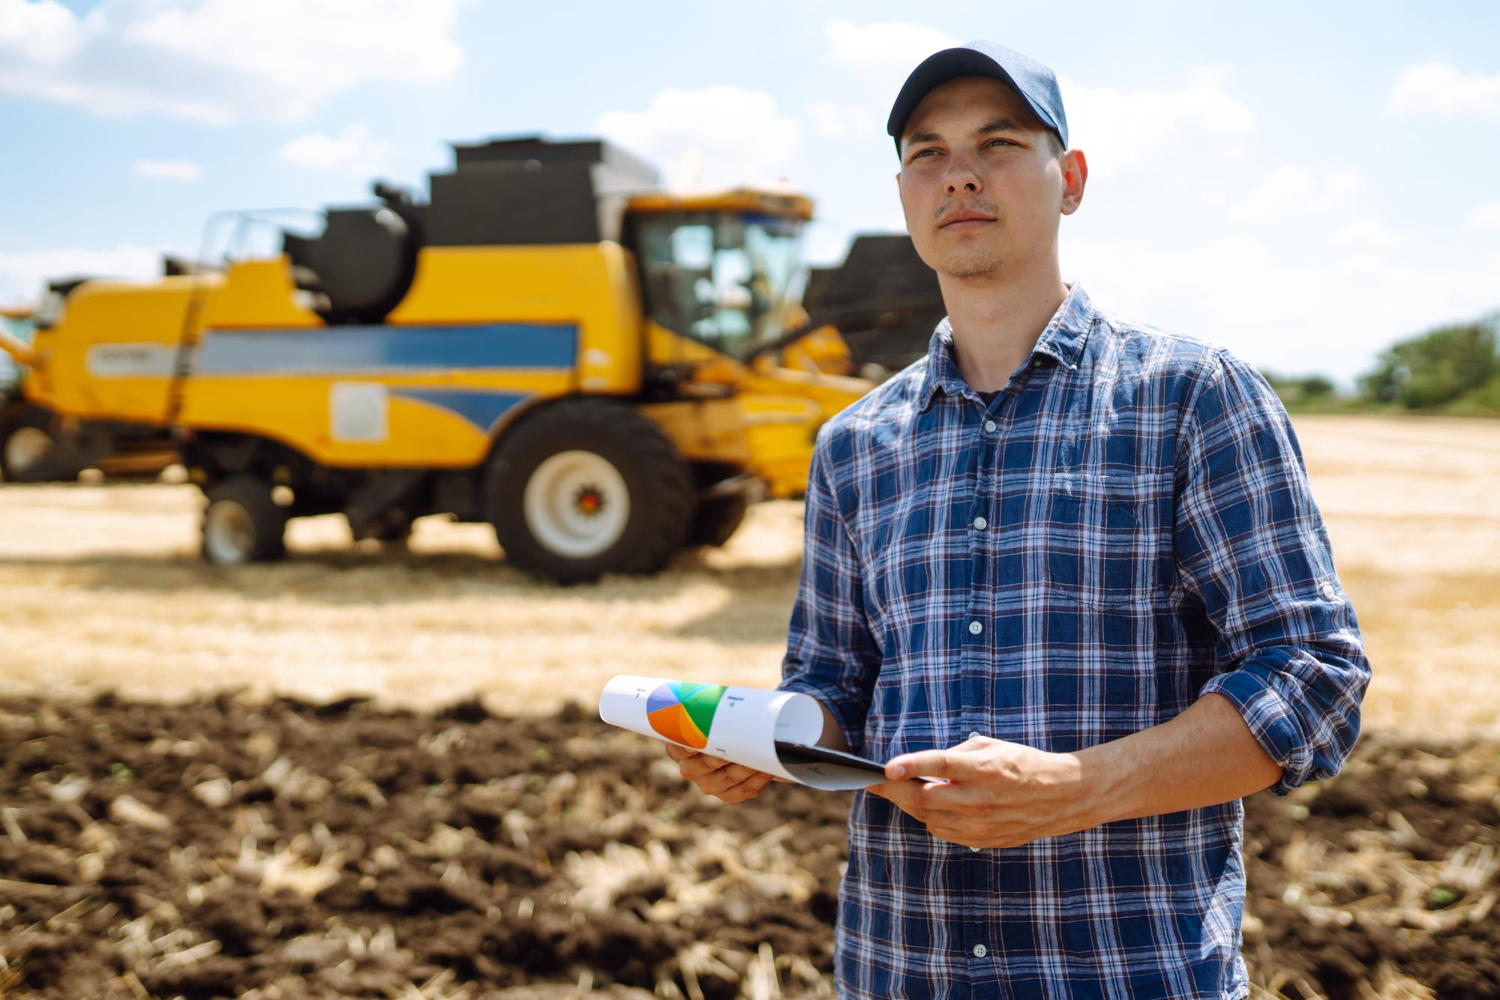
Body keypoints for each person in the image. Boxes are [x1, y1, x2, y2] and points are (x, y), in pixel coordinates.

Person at [666, 39, 1370, 999]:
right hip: (899, 967)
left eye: (997, 144)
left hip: (1126, 972)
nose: (958, 174)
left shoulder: (1193, 397)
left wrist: (1078, 789)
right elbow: (836, 683)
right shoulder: (854, 445)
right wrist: (770, 738)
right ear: (905, 196)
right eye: (928, 153)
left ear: (1069, 180)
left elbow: (1314, 677)